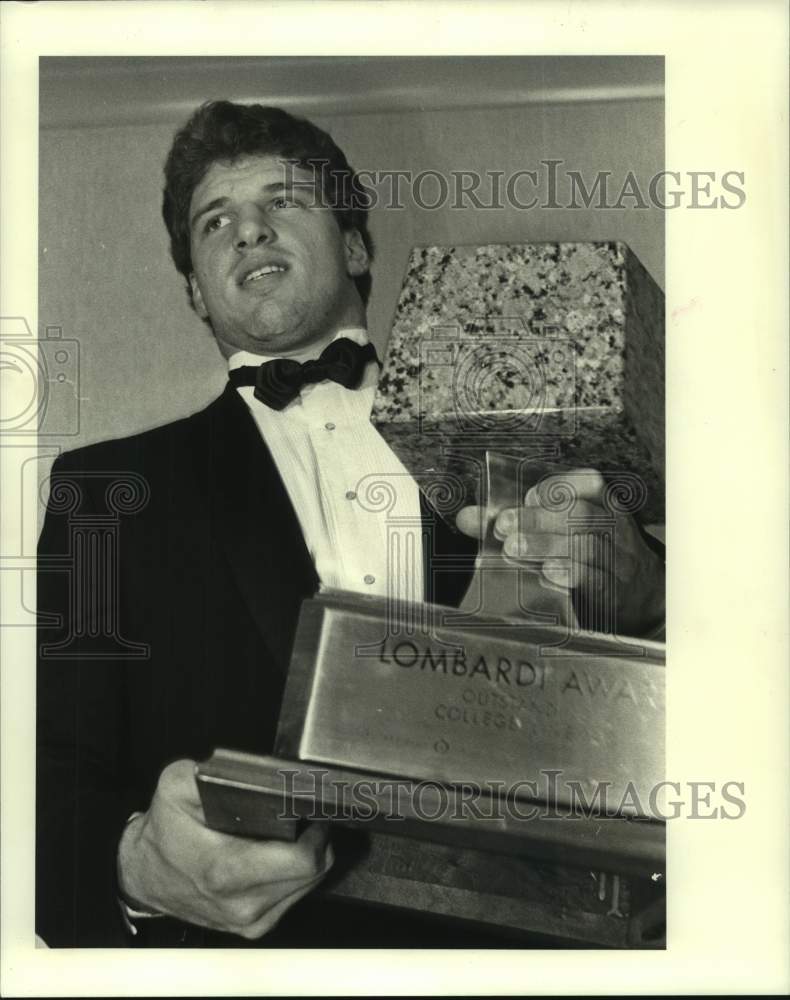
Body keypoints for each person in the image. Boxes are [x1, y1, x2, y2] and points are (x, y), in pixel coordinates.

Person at [36, 100, 665, 948]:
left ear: (358, 246)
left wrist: (647, 592)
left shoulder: (530, 423)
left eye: (283, 202)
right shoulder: (104, 491)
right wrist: (135, 872)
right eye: (215, 221)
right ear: (194, 288)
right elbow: (51, 779)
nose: (249, 232)